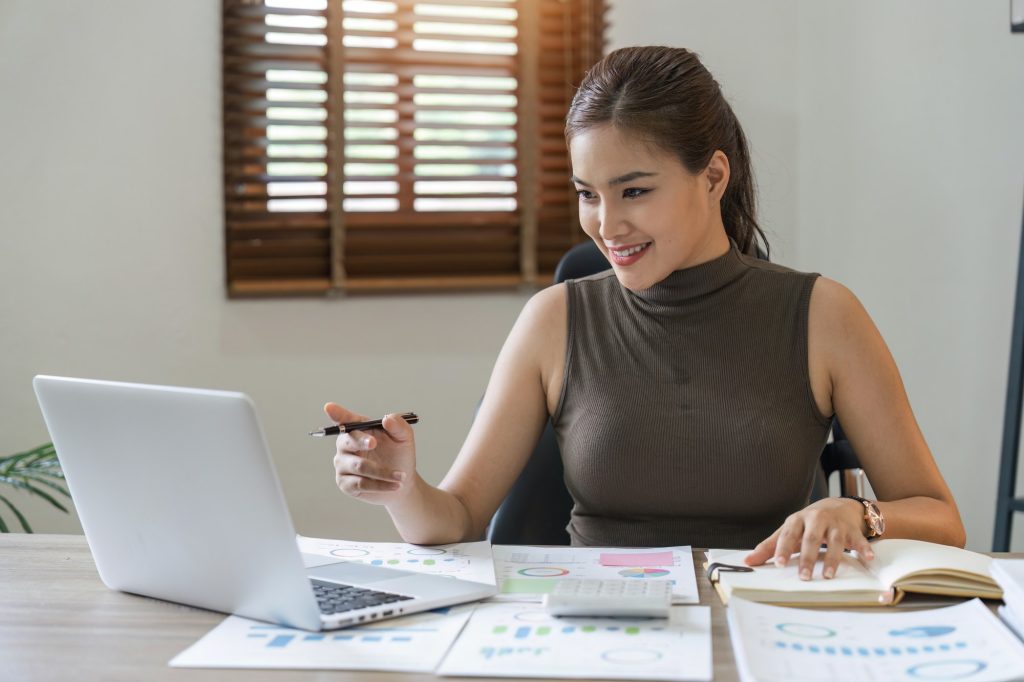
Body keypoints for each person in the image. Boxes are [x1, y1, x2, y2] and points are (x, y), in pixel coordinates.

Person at [324, 45, 966, 581]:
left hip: (767, 621)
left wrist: (863, 514)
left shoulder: (824, 316)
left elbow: (942, 517)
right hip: (597, 627)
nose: (607, 224)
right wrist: (402, 487)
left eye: (635, 190)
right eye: (587, 194)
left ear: (714, 176)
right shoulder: (553, 322)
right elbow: (458, 516)